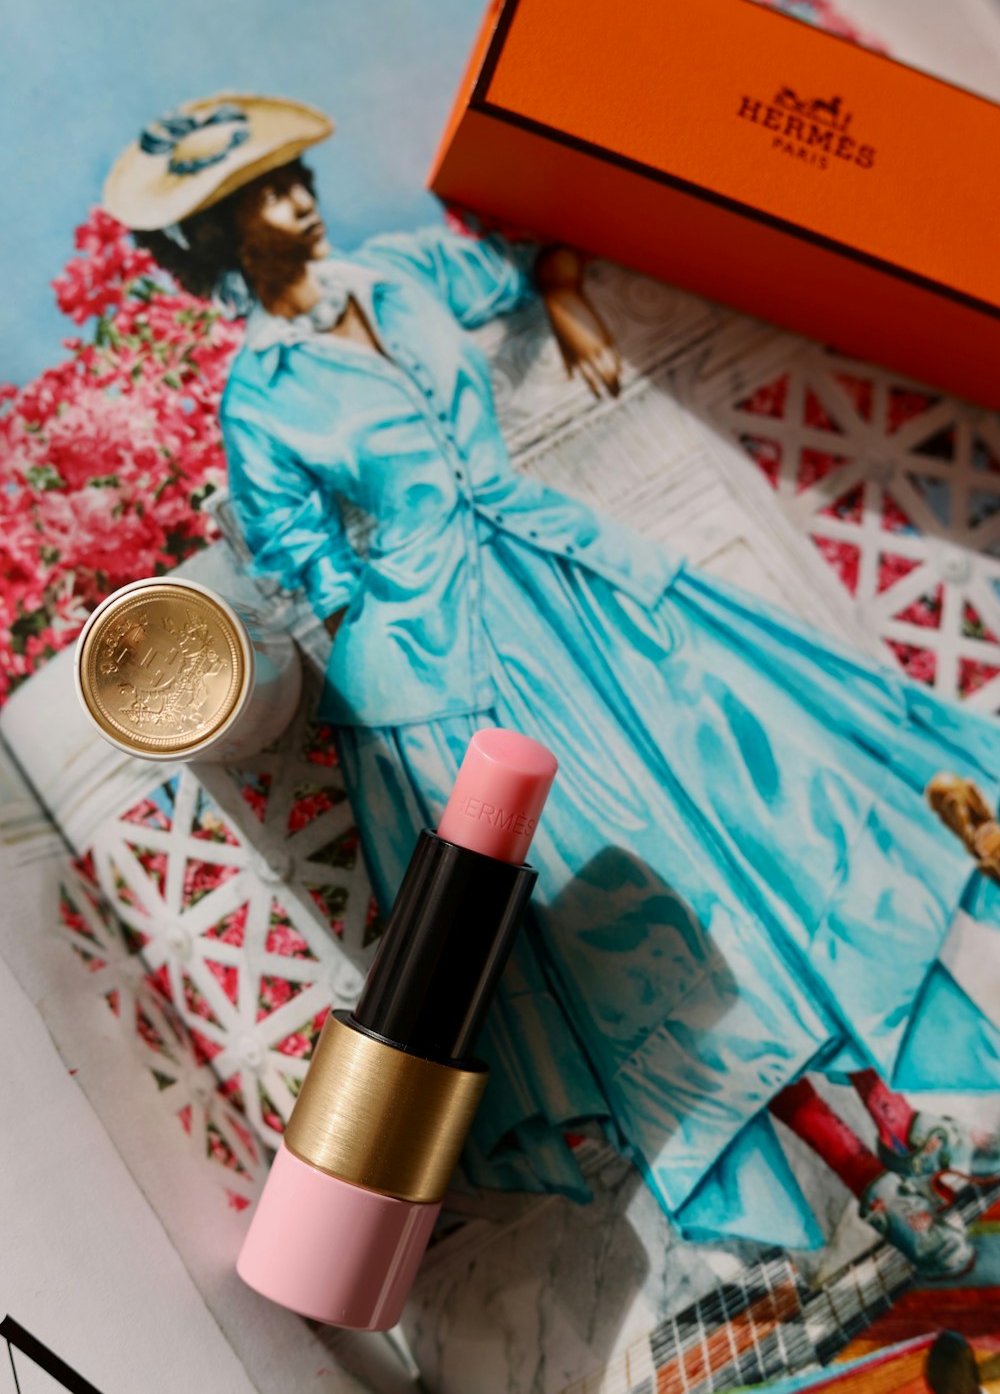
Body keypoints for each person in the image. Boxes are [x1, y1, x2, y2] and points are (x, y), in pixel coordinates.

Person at [105, 94, 1000, 1262]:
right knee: (632, 920)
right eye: (271, 198)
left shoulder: (408, 270)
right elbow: (298, 560)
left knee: (740, 814)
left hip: (575, 581)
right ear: (230, 241)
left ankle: (897, 1117)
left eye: (302, 182)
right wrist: (404, 653)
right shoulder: (261, 400)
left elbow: (535, 260)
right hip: (449, 667)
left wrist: (567, 308)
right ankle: (848, 1166)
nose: (303, 206)